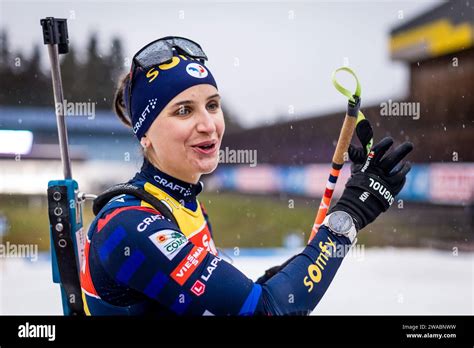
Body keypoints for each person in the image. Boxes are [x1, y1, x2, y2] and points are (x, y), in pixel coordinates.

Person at [80, 37, 413, 315]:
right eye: (183, 110)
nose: (208, 125)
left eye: (212, 105)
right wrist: (348, 216)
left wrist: (290, 272)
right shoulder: (129, 226)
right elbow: (266, 311)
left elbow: (234, 300)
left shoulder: (182, 203)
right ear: (145, 135)